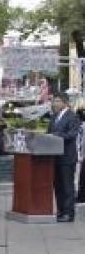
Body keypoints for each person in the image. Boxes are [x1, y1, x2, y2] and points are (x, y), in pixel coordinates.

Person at [48, 93, 80, 222]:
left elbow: (72, 134)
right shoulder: (54, 116)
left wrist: (56, 136)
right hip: (54, 157)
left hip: (67, 157)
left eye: (57, 101)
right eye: (54, 101)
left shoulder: (73, 117)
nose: (54, 104)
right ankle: (60, 211)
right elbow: (48, 133)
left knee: (67, 186)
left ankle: (69, 213)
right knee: (58, 186)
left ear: (65, 103)